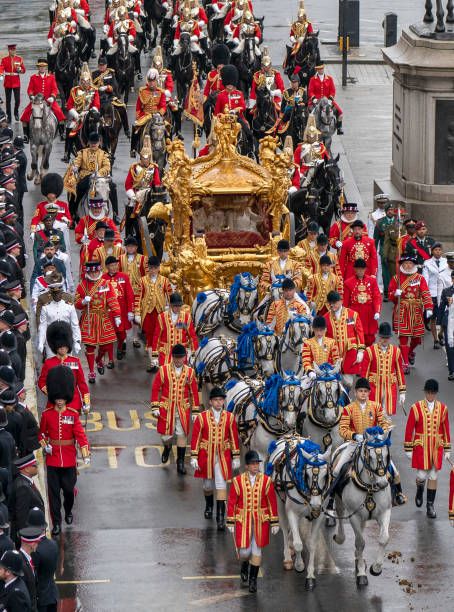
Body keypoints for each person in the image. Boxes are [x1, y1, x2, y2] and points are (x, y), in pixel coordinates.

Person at [333, 377, 406, 505]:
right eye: (360, 391)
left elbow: (385, 423)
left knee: (393, 470)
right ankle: (331, 500)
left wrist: (381, 431)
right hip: (355, 444)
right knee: (337, 469)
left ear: (369, 393)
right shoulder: (348, 408)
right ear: (355, 392)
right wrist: (355, 435)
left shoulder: (376, 406)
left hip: (373, 445)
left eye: (365, 391)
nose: (363, 393)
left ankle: (399, 494)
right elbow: (342, 430)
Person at [39, 366, 90, 536]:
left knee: (69, 491)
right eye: (57, 398)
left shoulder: (73, 414)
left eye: (62, 398)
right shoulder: (46, 415)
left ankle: (68, 511)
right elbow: (41, 434)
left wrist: (85, 453)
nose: (60, 401)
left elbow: (80, 435)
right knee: (53, 495)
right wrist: (45, 444)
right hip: (53, 460)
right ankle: (57, 523)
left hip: (68, 459)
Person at [226, 449, 279, 593]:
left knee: (257, 550)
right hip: (243, 520)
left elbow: (271, 502)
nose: (256, 466)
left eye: (257, 463)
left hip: (261, 521)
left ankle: (253, 580)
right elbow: (232, 502)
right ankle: (244, 565)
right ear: (247, 466)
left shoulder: (267, 481)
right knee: (244, 552)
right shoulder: (238, 481)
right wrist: (230, 521)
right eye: (253, 464)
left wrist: (274, 521)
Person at [191, 387, 240, 530]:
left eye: (221, 400)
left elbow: (233, 437)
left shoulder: (230, 417)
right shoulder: (202, 417)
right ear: (210, 402)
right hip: (206, 455)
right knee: (207, 485)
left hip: (223, 456)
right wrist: (194, 456)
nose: (219, 403)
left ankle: (220, 517)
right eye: (216, 400)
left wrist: (235, 456)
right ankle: (209, 505)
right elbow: (196, 437)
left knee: (221, 485)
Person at [404, 378, 451, 519]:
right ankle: (419, 488)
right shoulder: (415, 407)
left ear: (436, 393)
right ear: (425, 392)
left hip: (436, 447)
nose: (430, 395)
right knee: (421, 475)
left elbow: (446, 429)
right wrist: (408, 448)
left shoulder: (443, 409)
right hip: (421, 447)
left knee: (433, 475)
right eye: (428, 392)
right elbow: (409, 429)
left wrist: (447, 449)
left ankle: (430, 505)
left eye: (433, 393)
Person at [150, 344, 200, 475]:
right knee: (166, 436)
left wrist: (195, 410)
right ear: (172, 357)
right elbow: (156, 388)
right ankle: (167, 448)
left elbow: (194, 392)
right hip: (167, 408)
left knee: (182, 434)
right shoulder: (163, 370)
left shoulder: (190, 372)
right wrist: (155, 406)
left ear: (185, 357)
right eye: (176, 358)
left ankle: (180, 462)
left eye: (181, 357)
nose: (178, 360)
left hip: (183, 408)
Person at [74, 260, 121, 383]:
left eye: (96, 271)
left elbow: (112, 299)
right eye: (92, 272)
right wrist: (83, 301)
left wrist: (117, 316)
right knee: (90, 347)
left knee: (105, 345)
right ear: (88, 272)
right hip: (88, 319)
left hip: (103, 317)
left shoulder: (105, 283)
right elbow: (76, 303)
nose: (94, 274)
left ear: (99, 271)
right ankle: (91, 372)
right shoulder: (82, 285)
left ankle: (99, 359)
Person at [388, 253, 432, 373]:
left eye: (410, 263)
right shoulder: (396, 278)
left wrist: (428, 307)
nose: (407, 266)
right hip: (402, 310)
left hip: (416, 311)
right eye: (405, 263)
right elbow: (390, 295)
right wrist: (394, 294)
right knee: (403, 338)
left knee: (417, 339)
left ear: (414, 264)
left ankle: (410, 352)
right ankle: (405, 362)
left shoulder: (420, 278)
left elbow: (425, 293)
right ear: (402, 264)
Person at [38, 321, 90, 413]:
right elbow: (42, 382)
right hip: (54, 405)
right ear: (55, 346)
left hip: (73, 404)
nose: (63, 348)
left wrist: (87, 403)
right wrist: (52, 394)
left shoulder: (75, 362)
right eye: (60, 346)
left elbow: (82, 384)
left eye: (65, 346)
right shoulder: (49, 363)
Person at [134, 255, 171, 371]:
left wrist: (170, 310)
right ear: (148, 268)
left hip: (160, 313)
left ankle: (159, 360)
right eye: (151, 268)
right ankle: (153, 361)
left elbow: (170, 297)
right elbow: (137, 298)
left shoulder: (165, 281)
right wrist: (137, 313)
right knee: (150, 338)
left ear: (159, 268)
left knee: (160, 338)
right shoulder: (142, 280)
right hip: (148, 314)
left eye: (155, 268)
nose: (153, 270)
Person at [361, 322, 406, 416]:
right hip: (374, 388)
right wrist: (363, 391)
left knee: (387, 417)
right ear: (379, 337)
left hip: (390, 388)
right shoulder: (370, 351)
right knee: (373, 415)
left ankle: (387, 431)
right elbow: (364, 373)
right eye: (383, 337)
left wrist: (402, 392)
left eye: (387, 337)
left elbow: (399, 372)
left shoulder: (396, 351)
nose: (385, 340)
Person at [324, 290, 365, 384]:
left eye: (334, 303)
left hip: (349, 353)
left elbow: (359, 333)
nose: (331, 305)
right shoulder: (325, 318)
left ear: (340, 301)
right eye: (330, 303)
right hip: (333, 355)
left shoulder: (352, 314)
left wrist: (361, 351)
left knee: (348, 383)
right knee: (333, 383)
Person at [20, 58, 65, 143]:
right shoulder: (33, 77)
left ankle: (62, 133)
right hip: (36, 101)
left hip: (49, 101)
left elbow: (54, 89)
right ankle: (26, 136)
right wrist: (32, 96)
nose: (42, 68)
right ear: (38, 67)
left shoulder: (51, 77)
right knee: (25, 115)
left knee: (60, 114)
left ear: (46, 67)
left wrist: (52, 96)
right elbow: (30, 89)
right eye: (40, 66)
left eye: (43, 66)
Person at [36, 272, 80, 357]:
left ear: (62, 292)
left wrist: (77, 341)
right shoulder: (46, 308)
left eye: (59, 293)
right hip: (51, 338)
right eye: (55, 294)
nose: (57, 296)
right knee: (52, 363)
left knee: (67, 365)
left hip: (66, 338)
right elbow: (43, 325)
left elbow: (75, 325)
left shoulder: (69, 306)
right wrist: (41, 342)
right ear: (51, 294)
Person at [63, 64, 101, 163]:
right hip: (77, 115)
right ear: (81, 81)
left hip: (90, 114)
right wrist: (76, 115)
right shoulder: (74, 90)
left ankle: (107, 148)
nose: (85, 84)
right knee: (69, 128)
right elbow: (69, 105)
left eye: (87, 82)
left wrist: (91, 111)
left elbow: (96, 104)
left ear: (90, 81)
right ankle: (66, 153)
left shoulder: (94, 90)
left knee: (102, 126)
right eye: (83, 82)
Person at [151, 292, 198, 367]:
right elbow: (157, 337)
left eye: (179, 306)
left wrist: (193, 354)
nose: (178, 308)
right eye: (175, 306)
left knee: (180, 376)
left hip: (181, 354)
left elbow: (192, 337)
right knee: (166, 375)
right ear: (170, 305)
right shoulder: (162, 317)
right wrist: (154, 356)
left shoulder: (187, 317)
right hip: (165, 353)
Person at [343, 258, 381, 347]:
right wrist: (346, 316)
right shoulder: (348, 283)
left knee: (369, 338)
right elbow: (345, 302)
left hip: (369, 313)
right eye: (358, 269)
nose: (360, 271)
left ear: (365, 269)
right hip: (355, 313)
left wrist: (377, 311)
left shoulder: (372, 281)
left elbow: (376, 297)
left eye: (362, 269)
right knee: (355, 337)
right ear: (355, 269)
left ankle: (367, 356)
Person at [102, 256, 134, 360]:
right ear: (107, 266)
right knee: (111, 333)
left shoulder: (124, 277)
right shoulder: (103, 279)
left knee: (121, 332)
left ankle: (120, 346)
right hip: (109, 311)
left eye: (116, 264)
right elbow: (101, 296)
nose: (114, 267)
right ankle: (111, 356)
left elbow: (129, 294)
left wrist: (130, 310)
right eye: (112, 265)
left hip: (122, 310)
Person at [27, 507, 58, 612]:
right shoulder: (53, 544)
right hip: (53, 594)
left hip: (41, 599)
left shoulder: (35, 550)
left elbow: (33, 576)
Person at [119, 236, 148, 349]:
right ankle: (125, 338)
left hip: (137, 291)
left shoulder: (142, 259)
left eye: (132, 246)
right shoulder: (120, 258)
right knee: (124, 315)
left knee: (136, 315)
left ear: (136, 247)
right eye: (128, 246)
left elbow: (146, 275)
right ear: (126, 247)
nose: (130, 248)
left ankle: (135, 337)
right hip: (124, 291)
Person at [8, 454, 44, 544]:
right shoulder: (23, 487)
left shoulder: (25, 482)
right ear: (27, 469)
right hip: (29, 535)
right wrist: (26, 538)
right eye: (34, 465)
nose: (37, 466)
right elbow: (22, 516)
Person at [130, 69, 166, 157]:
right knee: (135, 127)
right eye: (150, 81)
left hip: (157, 116)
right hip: (145, 115)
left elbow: (163, 106)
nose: (151, 83)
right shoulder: (143, 91)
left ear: (156, 81)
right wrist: (138, 117)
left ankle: (169, 149)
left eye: (153, 81)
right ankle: (133, 149)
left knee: (167, 129)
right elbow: (138, 107)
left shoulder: (160, 92)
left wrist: (160, 113)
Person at [91, 56, 129, 138]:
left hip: (109, 97)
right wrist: (96, 90)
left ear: (106, 65)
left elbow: (115, 86)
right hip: (98, 98)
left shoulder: (110, 74)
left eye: (103, 65)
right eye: (100, 65)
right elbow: (90, 86)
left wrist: (107, 87)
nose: (101, 67)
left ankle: (126, 129)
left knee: (122, 108)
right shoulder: (93, 74)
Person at [423, 242, 447, 349]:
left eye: (440, 250)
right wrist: (425, 293)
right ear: (432, 251)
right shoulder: (427, 263)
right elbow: (425, 279)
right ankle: (436, 339)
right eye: (436, 250)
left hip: (444, 292)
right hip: (432, 293)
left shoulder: (446, 262)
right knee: (434, 318)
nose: (438, 252)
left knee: (443, 317)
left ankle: (441, 334)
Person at [308, 62, 343, 134]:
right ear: (317, 70)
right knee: (309, 114)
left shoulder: (330, 79)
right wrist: (313, 98)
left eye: (322, 68)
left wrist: (330, 99)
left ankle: (339, 128)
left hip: (328, 101)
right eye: (319, 69)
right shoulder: (312, 79)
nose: (321, 70)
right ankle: (309, 129)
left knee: (340, 113)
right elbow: (310, 91)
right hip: (316, 101)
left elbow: (333, 91)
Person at [0, 44, 26, 123]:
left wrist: (20, 70)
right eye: (11, 50)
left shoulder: (19, 59)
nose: (13, 51)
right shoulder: (4, 59)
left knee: (17, 100)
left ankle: (16, 112)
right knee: (8, 101)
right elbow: (1, 68)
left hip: (16, 81)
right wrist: (1, 74)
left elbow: (24, 70)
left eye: (14, 50)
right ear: (9, 50)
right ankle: (9, 116)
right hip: (8, 81)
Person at [18, 526, 41, 611]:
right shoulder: (21, 565)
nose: (38, 545)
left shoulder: (27, 558)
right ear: (32, 544)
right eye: (37, 542)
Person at [437, 269, 454, 380]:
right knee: (450, 347)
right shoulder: (447, 291)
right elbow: (442, 308)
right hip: (449, 322)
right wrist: (439, 325)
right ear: (452, 279)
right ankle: (452, 371)